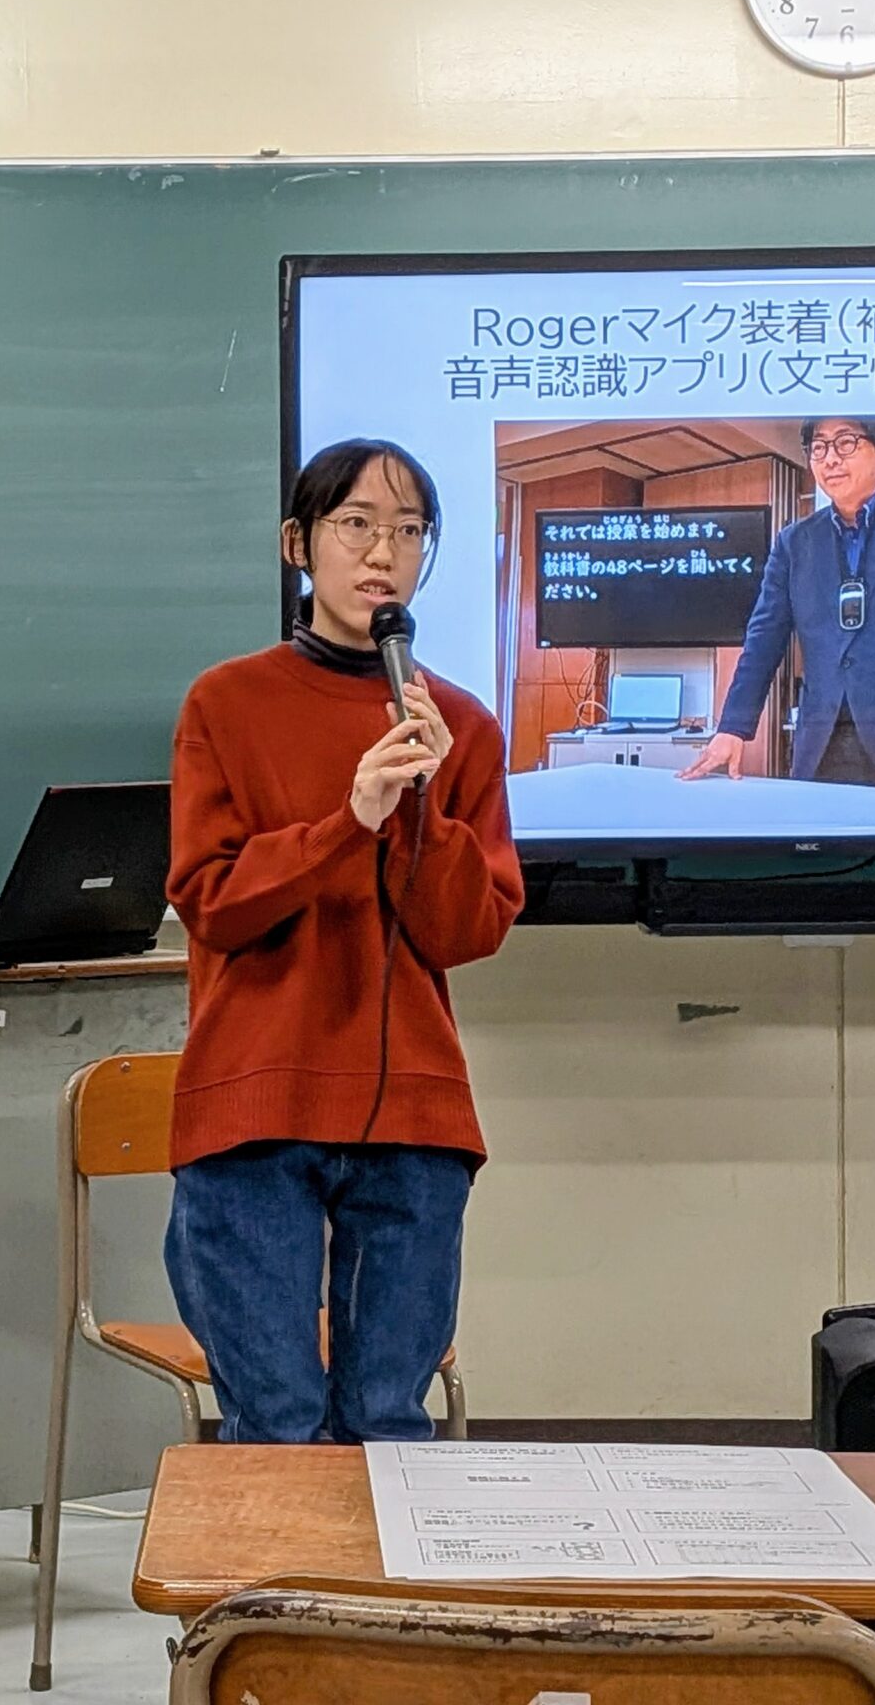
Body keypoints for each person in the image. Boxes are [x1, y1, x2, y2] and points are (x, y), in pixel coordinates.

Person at [164, 439, 523, 1445]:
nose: (382, 553)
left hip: (412, 1115)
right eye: (356, 525)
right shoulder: (226, 703)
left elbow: (467, 930)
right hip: (257, 1108)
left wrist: (422, 812)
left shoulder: (458, 726)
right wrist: (349, 820)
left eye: (408, 532)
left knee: (386, 1424)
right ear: (298, 544)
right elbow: (213, 901)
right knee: (278, 1423)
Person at [680, 415, 875, 801]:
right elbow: (764, 639)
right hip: (820, 745)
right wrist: (732, 727)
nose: (829, 459)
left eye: (845, 443)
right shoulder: (794, 543)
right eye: (818, 447)